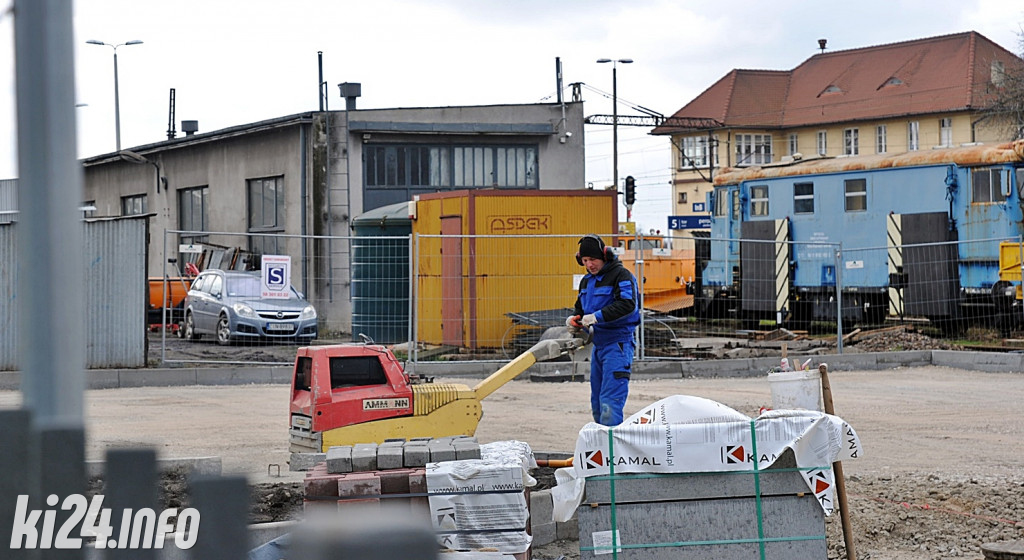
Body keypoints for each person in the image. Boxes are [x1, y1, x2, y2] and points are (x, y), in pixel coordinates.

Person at [566, 234, 641, 426]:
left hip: (618, 345)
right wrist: (574, 319)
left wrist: (596, 317)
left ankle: (611, 451)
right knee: (597, 404)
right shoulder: (586, 281)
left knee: (610, 402)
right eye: (585, 260)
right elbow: (580, 309)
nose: (589, 265)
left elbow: (627, 304)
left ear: (604, 256)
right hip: (598, 346)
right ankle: (602, 447)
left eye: (593, 259)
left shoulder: (621, 276)